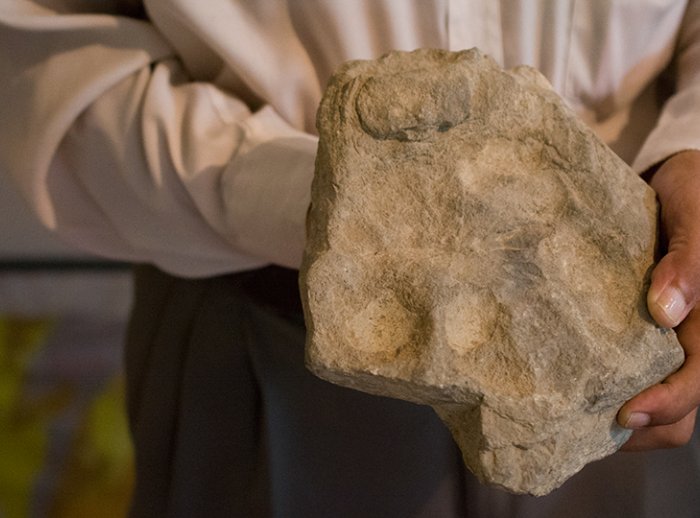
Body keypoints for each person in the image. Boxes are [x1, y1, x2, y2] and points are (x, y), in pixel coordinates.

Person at [1, 1, 699, 516]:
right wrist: (338, 215)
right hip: (255, 324)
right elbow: (49, 51)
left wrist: (691, 146)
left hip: (626, 320)